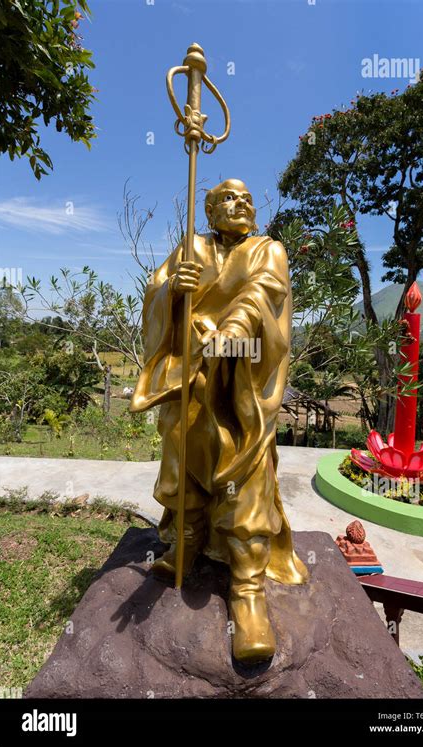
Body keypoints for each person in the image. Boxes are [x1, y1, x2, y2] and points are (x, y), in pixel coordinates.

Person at [130, 178, 308, 663]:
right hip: (189, 375)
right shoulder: (192, 245)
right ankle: (185, 542)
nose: (242, 203)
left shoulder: (268, 250)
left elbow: (263, 294)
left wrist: (232, 332)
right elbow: (156, 293)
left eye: (247, 198)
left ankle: (247, 593)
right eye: (229, 197)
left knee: (243, 470)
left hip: (241, 381)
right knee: (183, 452)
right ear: (208, 210)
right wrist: (171, 289)